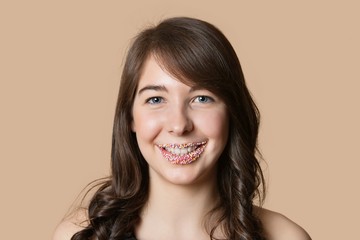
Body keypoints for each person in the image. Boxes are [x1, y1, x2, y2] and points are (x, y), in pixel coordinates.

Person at [53, 17, 311, 240]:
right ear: (129, 118)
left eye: (202, 98)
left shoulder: (285, 237)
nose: (179, 125)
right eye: (156, 99)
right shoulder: (80, 234)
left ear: (232, 112)